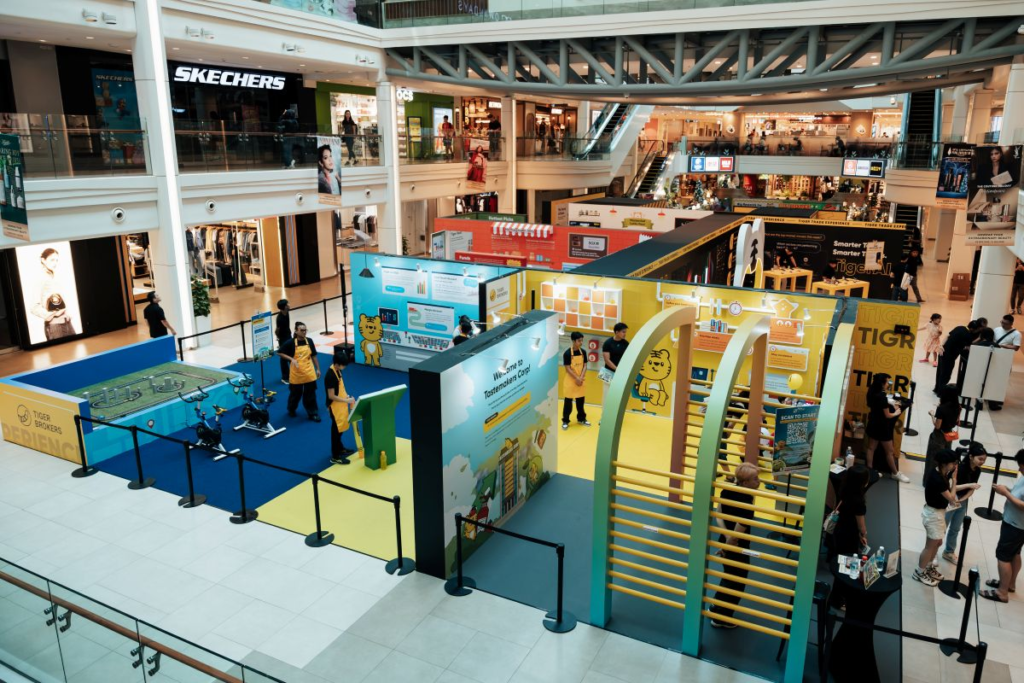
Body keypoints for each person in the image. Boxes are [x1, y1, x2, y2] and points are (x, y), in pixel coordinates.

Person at [709, 462, 760, 628]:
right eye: (755, 479)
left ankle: (716, 607)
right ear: (745, 483)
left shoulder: (727, 490)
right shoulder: (747, 505)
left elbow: (719, 515)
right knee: (737, 581)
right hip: (736, 547)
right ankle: (721, 618)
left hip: (725, 541)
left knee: (728, 575)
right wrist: (727, 546)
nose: (759, 481)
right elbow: (736, 536)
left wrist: (725, 538)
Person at [981, 450, 1024, 602]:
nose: (1019, 469)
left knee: (1003, 556)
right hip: (1017, 524)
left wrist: (1006, 493)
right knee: (1015, 554)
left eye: (1021, 466)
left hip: (1015, 526)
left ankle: (1002, 592)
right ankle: (1009, 584)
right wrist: (1008, 490)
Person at [914, 449, 960, 587]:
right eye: (953, 463)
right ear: (945, 463)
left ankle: (928, 567)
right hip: (934, 515)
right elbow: (952, 498)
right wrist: (955, 480)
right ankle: (919, 572)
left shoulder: (941, 473)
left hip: (937, 513)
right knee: (930, 546)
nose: (955, 466)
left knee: (938, 543)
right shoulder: (938, 478)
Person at [943, 443, 986, 564]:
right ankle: (933, 553)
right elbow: (950, 487)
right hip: (950, 498)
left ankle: (949, 551)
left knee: (955, 528)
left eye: (984, 460)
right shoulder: (960, 468)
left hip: (962, 501)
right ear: (971, 457)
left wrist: (963, 500)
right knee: (942, 527)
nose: (982, 462)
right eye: (980, 459)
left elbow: (972, 488)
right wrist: (969, 485)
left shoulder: (977, 470)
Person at [865, 373, 909, 482]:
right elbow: (888, 415)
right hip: (882, 427)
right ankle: (895, 473)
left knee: (871, 448)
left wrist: (887, 401)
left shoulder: (871, 391)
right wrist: (896, 412)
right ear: (882, 383)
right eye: (887, 382)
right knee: (889, 451)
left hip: (873, 423)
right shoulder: (882, 397)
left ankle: (869, 471)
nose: (888, 384)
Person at [277, 322, 321, 422]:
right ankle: (291, 409)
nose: (304, 332)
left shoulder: (309, 341)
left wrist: (318, 369)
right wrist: (291, 359)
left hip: (309, 372)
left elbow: (314, 355)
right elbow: (279, 352)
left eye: (305, 330)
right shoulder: (291, 343)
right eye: (302, 330)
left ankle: (313, 413)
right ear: (296, 331)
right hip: (296, 374)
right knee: (295, 394)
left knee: (310, 394)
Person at [30, 247, 77, 341]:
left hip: (67, 323)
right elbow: (34, 307)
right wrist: (52, 315)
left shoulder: (54, 277)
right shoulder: (40, 278)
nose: (55, 263)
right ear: (43, 260)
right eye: (52, 260)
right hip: (55, 326)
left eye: (56, 260)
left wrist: (67, 313)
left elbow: (59, 301)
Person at [324, 350, 357, 464]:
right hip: (334, 406)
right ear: (337, 364)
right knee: (336, 430)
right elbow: (331, 396)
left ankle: (340, 448)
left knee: (341, 428)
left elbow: (340, 388)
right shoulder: (330, 375)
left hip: (341, 404)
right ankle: (335, 456)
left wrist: (346, 396)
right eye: (343, 365)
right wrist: (346, 400)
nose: (345, 367)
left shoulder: (338, 370)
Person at [924, 384, 960, 483]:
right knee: (945, 461)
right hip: (949, 435)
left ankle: (929, 482)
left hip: (938, 436)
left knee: (933, 460)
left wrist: (932, 415)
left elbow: (937, 426)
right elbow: (956, 422)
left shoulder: (941, 409)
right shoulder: (958, 407)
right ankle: (942, 480)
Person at [934, 319, 981, 393]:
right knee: (946, 375)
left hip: (942, 351)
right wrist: (980, 338)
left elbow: (948, 335)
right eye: (978, 329)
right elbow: (969, 345)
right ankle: (941, 392)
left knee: (940, 372)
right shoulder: (968, 335)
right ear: (972, 329)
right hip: (950, 356)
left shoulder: (960, 327)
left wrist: (941, 345)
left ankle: (937, 389)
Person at [562, 332, 591, 429]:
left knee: (580, 402)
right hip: (570, 381)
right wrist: (577, 378)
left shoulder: (583, 352)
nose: (581, 342)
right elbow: (567, 369)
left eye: (582, 340)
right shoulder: (567, 353)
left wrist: (581, 377)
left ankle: (581, 419)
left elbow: (585, 365)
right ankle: (565, 421)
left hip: (581, 381)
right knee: (568, 402)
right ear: (573, 341)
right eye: (579, 341)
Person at [600, 323, 629, 406]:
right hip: (607, 372)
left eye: (625, 332)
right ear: (617, 332)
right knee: (606, 395)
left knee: (617, 396)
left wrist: (622, 371)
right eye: (623, 332)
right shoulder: (608, 343)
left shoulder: (626, 343)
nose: (625, 334)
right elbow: (607, 360)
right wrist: (617, 369)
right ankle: (604, 414)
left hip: (620, 374)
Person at [275, 299, 291, 385]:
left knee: (291, 354)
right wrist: (278, 338)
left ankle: (293, 373)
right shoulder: (279, 318)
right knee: (284, 358)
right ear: (285, 307)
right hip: (283, 339)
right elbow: (277, 330)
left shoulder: (287, 312)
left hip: (288, 336)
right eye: (287, 304)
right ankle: (285, 377)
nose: (289, 305)